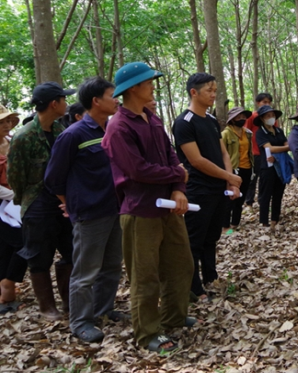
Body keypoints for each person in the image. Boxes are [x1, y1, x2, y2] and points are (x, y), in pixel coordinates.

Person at [102, 62, 194, 353]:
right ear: (133, 89)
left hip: (169, 205)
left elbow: (169, 154)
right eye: (148, 82)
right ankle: (148, 333)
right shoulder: (119, 127)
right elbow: (137, 170)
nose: (153, 85)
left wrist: (179, 189)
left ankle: (173, 317)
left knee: (181, 265)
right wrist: (178, 175)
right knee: (145, 276)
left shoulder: (152, 118)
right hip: (140, 210)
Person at [45, 77, 123, 343]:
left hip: (115, 209)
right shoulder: (73, 134)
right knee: (86, 270)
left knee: (112, 265)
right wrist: (71, 201)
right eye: (112, 95)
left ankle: (104, 310)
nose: (117, 100)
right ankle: (80, 321)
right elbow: (53, 178)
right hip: (89, 214)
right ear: (96, 101)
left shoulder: (111, 130)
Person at [8, 82, 75, 319]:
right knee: (39, 256)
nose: (66, 104)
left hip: (63, 202)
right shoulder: (23, 136)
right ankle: (48, 307)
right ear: (53, 104)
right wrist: (28, 200)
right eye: (63, 100)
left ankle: (69, 303)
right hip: (37, 204)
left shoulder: (62, 131)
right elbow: (15, 175)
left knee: (71, 251)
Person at [173, 73, 241, 302]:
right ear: (194, 92)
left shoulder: (211, 121)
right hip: (197, 190)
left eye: (215, 90)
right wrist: (229, 177)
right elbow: (196, 161)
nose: (214, 95)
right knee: (194, 240)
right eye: (209, 91)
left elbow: (222, 152)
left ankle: (211, 276)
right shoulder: (183, 122)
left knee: (212, 236)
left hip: (217, 190)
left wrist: (231, 180)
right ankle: (195, 288)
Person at [0, 105, 25, 315]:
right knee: (13, 243)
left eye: (8, 121)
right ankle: (6, 288)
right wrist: (13, 193)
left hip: (16, 203)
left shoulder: (12, 142)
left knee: (15, 244)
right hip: (6, 201)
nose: (6, 125)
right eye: (2, 122)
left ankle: (7, 286)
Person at [255, 105, 290, 232]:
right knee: (265, 195)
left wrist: (277, 154)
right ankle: (264, 222)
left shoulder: (279, 131)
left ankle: (275, 220)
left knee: (278, 194)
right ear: (262, 119)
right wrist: (282, 150)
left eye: (273, 115)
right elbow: (269, 148)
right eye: (268, 116)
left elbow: (287, 145)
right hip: (267, 168)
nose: (271, 118)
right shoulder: (260, 133)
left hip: (280, 167)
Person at [221, 107, 253, 232]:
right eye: (238, 117)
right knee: (230, 198)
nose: (241, 119)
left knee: (241, 197)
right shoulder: (225, 134)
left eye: (243, 116)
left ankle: (235, 223)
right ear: (232, 119)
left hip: (247, 168)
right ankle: (225, 225)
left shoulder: (248, 133)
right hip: (233, 169)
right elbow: (222, 153)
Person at [243, 93, 273, 208]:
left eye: (269, 102)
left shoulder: (271, 117)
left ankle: (263, 202)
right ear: (258, 103)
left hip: (268, 152)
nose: (267, 104)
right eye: (264, 102)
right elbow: (246, 132)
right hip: (254, 152)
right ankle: (249, 202)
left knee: (265, 179)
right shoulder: (252, 116)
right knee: (252, 178)